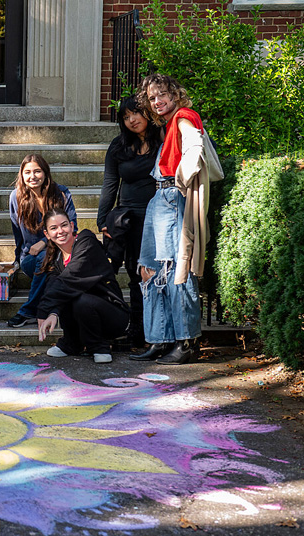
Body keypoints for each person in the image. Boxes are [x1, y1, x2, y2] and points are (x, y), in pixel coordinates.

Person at [129, 74, 211, 364]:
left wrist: (181, 181)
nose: (157, 101)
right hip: (158, 198)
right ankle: (159, 339)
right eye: (152, 98)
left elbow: (195, 148)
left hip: (171, 197)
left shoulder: (184, 118)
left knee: (177, 269)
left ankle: (186, 342)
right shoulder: (168, 125)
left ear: (175, 94)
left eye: (162, 94)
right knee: (149, 270)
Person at [96, 96, 163, 347]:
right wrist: (103, 219)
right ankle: (136, 331)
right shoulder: (118, 146)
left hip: (156, 217)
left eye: (135, 113)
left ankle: (153, 331)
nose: (131, 120)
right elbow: (110, 183)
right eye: (125, 116)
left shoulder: (163, 141)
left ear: (147, 114)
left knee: (151, 274)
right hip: (126, 219)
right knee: (133, 274)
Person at [36, 208, 130, 363]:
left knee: (80, 299)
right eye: (53, 228)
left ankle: (99, 347)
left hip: (113, 316)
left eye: (64, 225)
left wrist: (43, 309)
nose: (60, 231)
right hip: (85, 317)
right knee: (66, 294)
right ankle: (72, 344)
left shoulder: (86, 242)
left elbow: (70, 278)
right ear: (47, 235)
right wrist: (52, 312)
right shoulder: (57, 258)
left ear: (72, 226)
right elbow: (55, 286)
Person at [6, 154, 77, 328]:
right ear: (21, 175)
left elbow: (71, 230)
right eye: (27, 172)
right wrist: (17, 261)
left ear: (45, 173)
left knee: (48, 256)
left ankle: (30, 310)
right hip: (30, 259)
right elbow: (17, 235)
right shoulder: (16, 197)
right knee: (44, 258)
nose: (32, 176)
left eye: (37, 171)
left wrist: (45, 242)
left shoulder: (61, 193)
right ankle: (40, 309)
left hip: (61, 257)